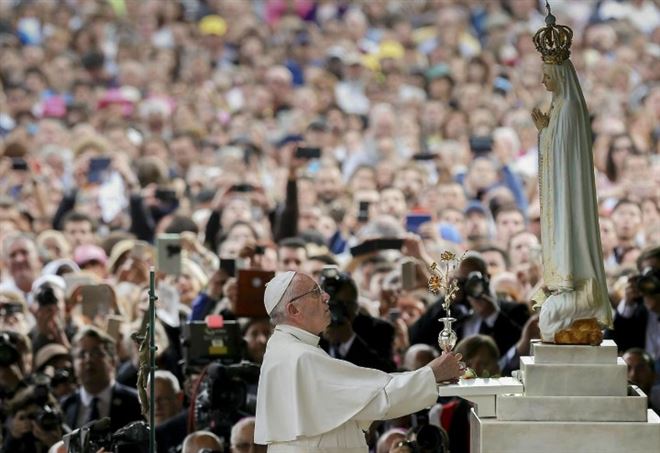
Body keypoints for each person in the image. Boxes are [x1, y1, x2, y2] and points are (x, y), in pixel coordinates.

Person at [254, 271, 463, 452]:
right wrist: (432, 373)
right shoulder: (299, 357)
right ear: (293, 310)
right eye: (316, 292)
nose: (327, 297)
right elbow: (379, 398)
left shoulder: (285, 349)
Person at [530, 12, 612, 343]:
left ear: (559, 74)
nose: (543, 81)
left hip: (568, 193)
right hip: (560, 189)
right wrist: (545, 131)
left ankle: (572, 289)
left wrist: (545, 132)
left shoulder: (567, 109)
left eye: (546, 74)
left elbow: (562, 153)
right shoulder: (561, 108)